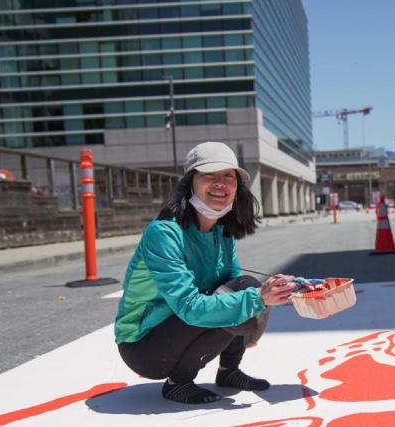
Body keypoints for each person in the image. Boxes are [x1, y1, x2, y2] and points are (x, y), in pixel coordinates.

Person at [114, 141, 295, 404]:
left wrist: (272, 291)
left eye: (228, 176)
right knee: (237, 303)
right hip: (145, 345)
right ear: (190, 183)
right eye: (210, 175)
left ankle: (229, 372)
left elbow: (236, 285)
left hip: (181, 325)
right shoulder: (164, 233)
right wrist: (259, 300)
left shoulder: (222, 231)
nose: (220, 183)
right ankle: (178, 383)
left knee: (243, 287)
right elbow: (188, 306)